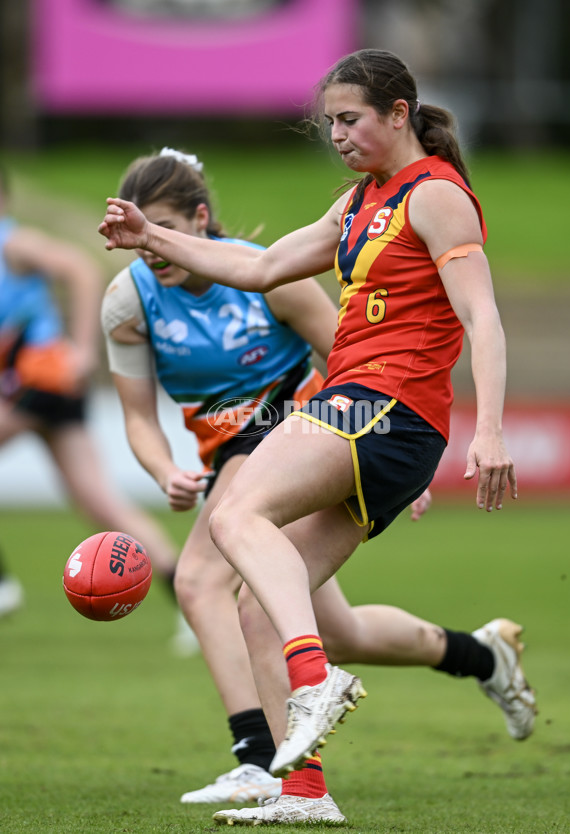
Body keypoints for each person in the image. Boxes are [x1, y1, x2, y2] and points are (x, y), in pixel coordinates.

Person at [98, 59, 535, 825]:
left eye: (350, 119)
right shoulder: (360, 203)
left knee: (236, 520)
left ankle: (315, 683)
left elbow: (484, 319)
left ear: (398, 114)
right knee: (263, 607)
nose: (336, 134)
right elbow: (262, 266)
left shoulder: (433, 194)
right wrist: (151, 235)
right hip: (370, 415)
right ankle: (305, 792)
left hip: (383, 403)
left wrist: (491, 428)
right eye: (329, 122)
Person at [0, 162, 188, 644]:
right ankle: (191, 592)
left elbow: (80, 269)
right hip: (31, 388)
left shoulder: (12, 242)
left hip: (43, 381)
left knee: (99, 499)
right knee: (99, 501)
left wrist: (82, 350)